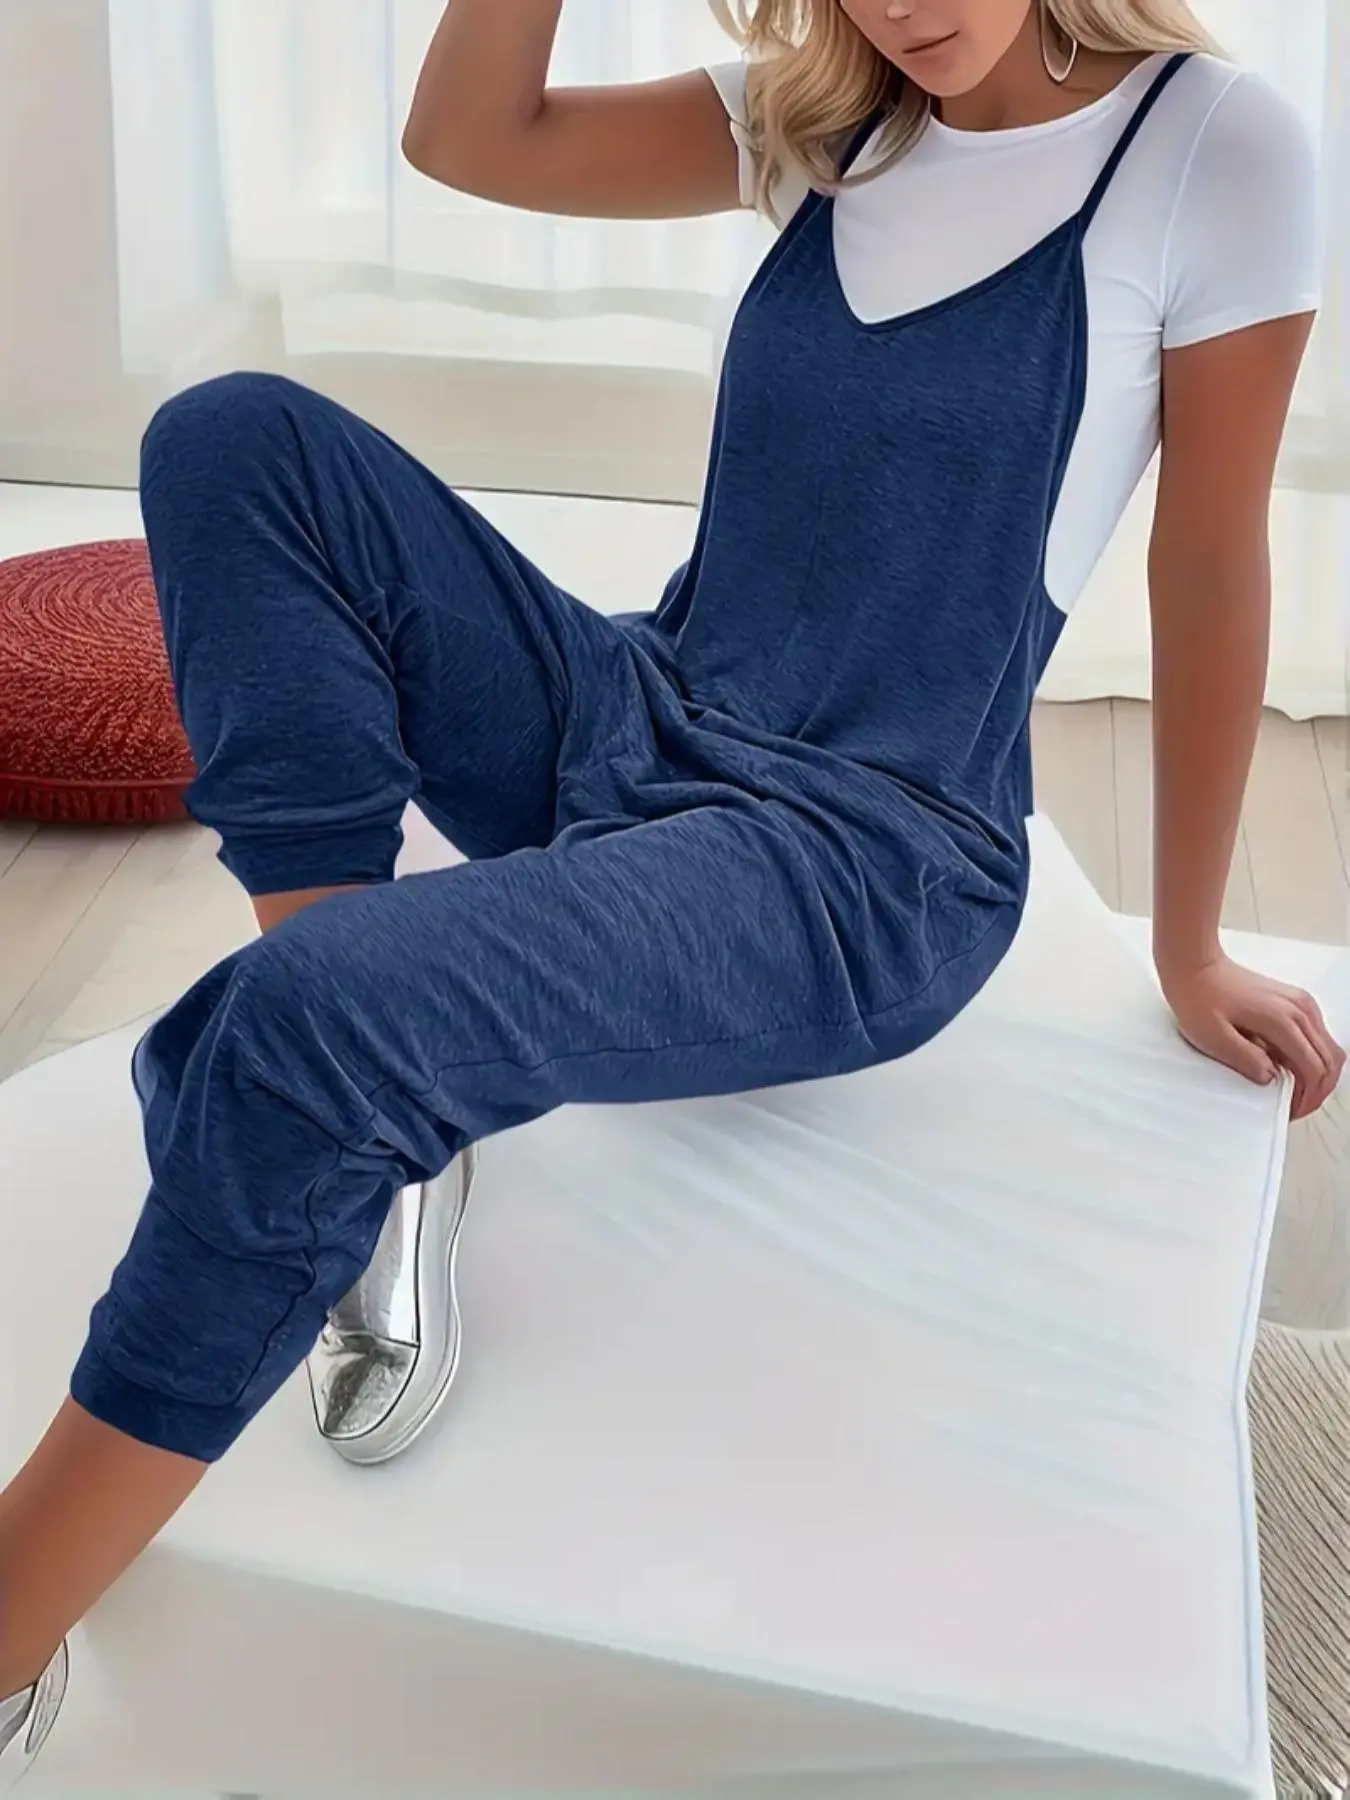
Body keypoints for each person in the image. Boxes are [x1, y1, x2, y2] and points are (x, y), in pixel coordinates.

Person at [2, 0, 1345, 1780]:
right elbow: (467, 140)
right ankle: (384, 1159)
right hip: (638, 712)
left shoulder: (1209, 148)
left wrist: (1186, 948)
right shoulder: (821, 117)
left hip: (865, 858)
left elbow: (1210, 560)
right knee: (233, 436)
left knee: (301, 1026)